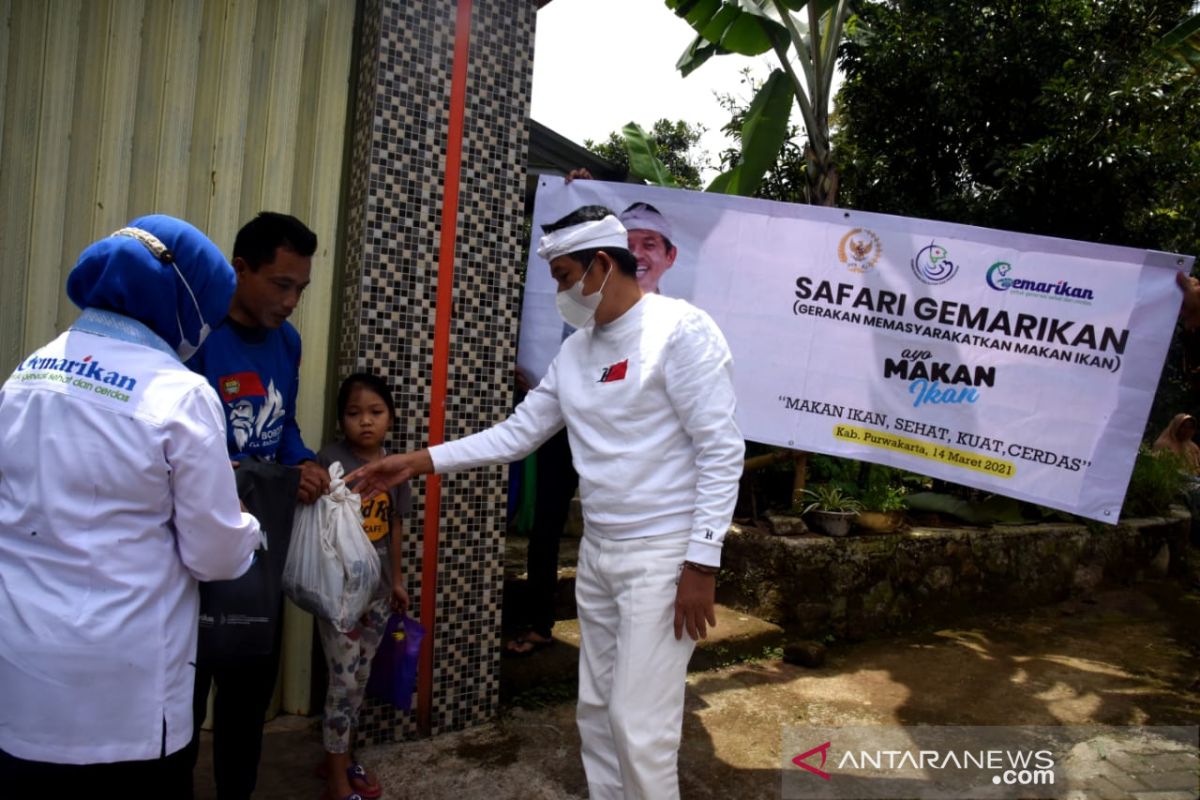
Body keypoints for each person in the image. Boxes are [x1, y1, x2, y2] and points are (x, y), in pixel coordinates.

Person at [349, 205, 744, 799]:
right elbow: (516, 434)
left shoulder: (680, 331)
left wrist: (702, 563)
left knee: (642, 727)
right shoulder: (578, 352)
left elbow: (720, 450)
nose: (561, 290)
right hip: (600, 554)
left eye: (564, 276)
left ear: (603, 265)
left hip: (663, 558)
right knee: (598, 714)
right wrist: (417, 461)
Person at [0, 217, 263, 796]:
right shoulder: (180, 393)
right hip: (126, 696)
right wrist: (250, 527)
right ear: (183, 302)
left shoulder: (25, 375)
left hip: (21, 677)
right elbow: (215, 554)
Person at [186, 211, 331, 800]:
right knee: (183, 704)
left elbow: (283, 426)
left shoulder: (287, 343)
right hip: (194, 557)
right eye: (281, 284)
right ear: (239, 270)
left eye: (301, 288)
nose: (293, 300)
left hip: (261, 553)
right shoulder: (195, 337)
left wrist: (303, 464)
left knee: (247, 705)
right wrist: (260, 475)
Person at [314, 372, 411, 800]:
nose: (365, 422)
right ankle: (336, 781)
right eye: (354, 414)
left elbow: (395, 526)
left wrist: (399, 581)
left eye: (375, 412)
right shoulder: (329, 462)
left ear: (389, 417)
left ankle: (343, 756)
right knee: (343, 683)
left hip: (378, 595)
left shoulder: (395, 467)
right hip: (338, 595)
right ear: (341, 420)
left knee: (361, 677)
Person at [619, 201, 678, 294]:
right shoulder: (592, 306)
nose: (636, 255)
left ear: (670, 256)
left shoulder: (680, 309)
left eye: (649, 245)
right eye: (627, 246)